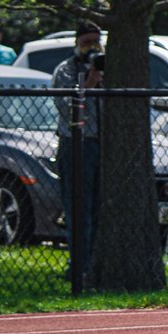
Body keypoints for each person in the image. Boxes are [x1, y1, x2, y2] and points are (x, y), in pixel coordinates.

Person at [52, 21, 105, 277]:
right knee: (79, 209)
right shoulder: (66, 70)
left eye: (96, 41)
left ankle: (96, 266)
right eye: (87, 42)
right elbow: (67, 107)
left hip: (104, 145)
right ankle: (78, 269)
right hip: (77, 145)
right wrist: (90, 82)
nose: (92, 47)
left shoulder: (109, 67)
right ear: (77, 43)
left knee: (101, 209)